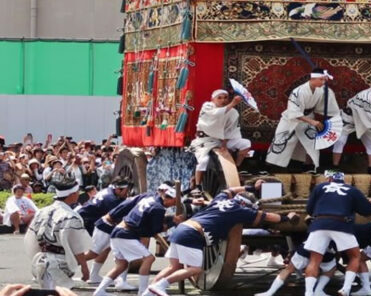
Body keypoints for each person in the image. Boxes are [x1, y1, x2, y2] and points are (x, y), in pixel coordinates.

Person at [145, 187, 297, 296]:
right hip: (193, 235)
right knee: (196, 269)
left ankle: (148, 292)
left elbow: (227, 191)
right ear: (245, 204)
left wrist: (250, 187)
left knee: (174, 267)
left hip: (182, 229)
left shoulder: (221, 199)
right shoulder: (240, 210)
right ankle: (160, 285)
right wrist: (286, 218)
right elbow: (267, 216)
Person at [93, 187, 178, 296]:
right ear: (168, 198)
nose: (174, 205)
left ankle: (99, 291)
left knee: (121, 265)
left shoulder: (151, 198)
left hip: (117, 232)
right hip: (125, 234)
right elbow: (155, 230)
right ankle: (143, 292)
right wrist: (172, 222)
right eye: (174, 202)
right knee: (149, 259)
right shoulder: (158, 208)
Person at [303, 172, 371, 296]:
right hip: (341, 225)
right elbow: (367, 211)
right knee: (355, 256)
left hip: (319, 224)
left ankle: (309, 293)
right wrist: (368, 204)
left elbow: (309, 209)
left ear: (329, 179)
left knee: (314, 260)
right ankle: (345, 289)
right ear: (344, 180)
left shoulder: (319, 187)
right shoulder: (352, 190)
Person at [266, 69, 341, 170]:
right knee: (282, 140)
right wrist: (312, 122)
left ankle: (310, 166)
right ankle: (273, 167)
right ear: (313, 78)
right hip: (291, 119)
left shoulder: (322, 90)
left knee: (312, 141)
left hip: (309, 116)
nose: (323, 82)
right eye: (321, 80)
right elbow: (294, 112)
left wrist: (332, 118)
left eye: (324, 80)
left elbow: (329, 106)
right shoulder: (298, 92)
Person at [23, 180, 91, 289]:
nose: (79, 194)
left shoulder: (42, 211)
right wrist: (84, 267)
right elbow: (77, 246)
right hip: (59, 262)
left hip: (40, 259)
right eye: (78, 192)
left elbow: (31, 237)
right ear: (72, 194)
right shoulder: (70, 216)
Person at [192, 89, 252, 187]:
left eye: (225, 98)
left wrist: (224, 144)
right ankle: (197, 186)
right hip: (205, 141)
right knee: (203, 161)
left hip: (222, 140)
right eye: (219, 98)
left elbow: (231, 130)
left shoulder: (233, 112)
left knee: (245, 143)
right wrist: (232, 103)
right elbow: (215, 114)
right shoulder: (207, 106)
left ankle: (236, 167)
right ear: (213, 99)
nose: (223, 100)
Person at [74, 180, 131, 279]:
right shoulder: (111, 200)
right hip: (82, 219)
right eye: (126, 191)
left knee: (105, 249)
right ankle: (65, 266)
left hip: (90, 218)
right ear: (118, 189)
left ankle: (94, 275)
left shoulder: (109, 190)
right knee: (92, 253)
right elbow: (118, 218)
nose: (127, 194)